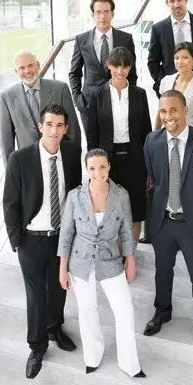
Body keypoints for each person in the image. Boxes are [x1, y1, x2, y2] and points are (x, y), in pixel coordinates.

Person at [3, 104, 82, 379]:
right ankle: (37, 347)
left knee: (59, 288)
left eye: (59, 125)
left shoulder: (72, 153)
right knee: (36, 295)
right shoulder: (20, 159)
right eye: (49, 124)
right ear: (40, 126)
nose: (54, 131)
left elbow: (74, 194)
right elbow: (10, 203)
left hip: (60, 237)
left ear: (66, 129)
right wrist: (17, 241)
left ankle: (54, 327)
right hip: (31, 239)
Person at [143, 90, 193, 348]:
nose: (168, 116)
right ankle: (162, 310)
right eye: (163, 111)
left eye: (174, 110)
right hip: (163, 221)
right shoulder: (152, 141)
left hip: (192, 223)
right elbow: (154, 180)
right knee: (162, 271)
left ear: (186, 111)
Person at [57, 148, 145, 378]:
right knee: (87, 310)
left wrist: (131, 260)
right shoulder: (75, 197)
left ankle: (129, 364)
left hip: (111, 259)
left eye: (102, 167)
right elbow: (66, 234)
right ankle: (92, 357)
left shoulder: (121, 195)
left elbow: (126, 231)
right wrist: (62, 268)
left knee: (124, 309)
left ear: (109, 167)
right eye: (92, 168)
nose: (98, 173)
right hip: (80, 261)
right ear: (87, 169)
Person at [86, 47, 152, 243]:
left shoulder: (140, 94)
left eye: (125, 67)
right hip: (107, 159)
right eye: (116, 66)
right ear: (109, 66)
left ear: (130, 68)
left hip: (135, 158)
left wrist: (149, 165)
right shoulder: (97, 95)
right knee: (109, 208)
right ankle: (113, 253)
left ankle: (130, 254)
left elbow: (146, 131)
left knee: (136, 208)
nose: (120, 71)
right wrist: (93, 166)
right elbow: (92, 133)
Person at [69, 0, 137, 134]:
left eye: (106, 12)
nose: (102, 16)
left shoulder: (125, 39)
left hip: (118, 101)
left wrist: (128, 97)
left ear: (113, 14)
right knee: (93, 143)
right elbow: (74, 73)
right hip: (89, 104)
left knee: (117, 139)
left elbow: (132, 71)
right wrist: (77, 99)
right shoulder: (81, 40)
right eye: (98, 12)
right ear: (92, 15)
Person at [0, 50, 81, 165]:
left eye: (30, 65)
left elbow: (73, 130)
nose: (27, 71)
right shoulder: (7, 97)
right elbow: (6, 140)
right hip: (28, 162)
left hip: (59, 158)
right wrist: (10, 170)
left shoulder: (60, 89)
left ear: (37, 65)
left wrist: (74, 163)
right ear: (16, 71)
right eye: (22, 68)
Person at [155, 42, 193, 135]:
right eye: (177, 58)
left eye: (185, 57)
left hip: (190, 135)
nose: (180, 62)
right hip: (167, 133)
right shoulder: (166, 81)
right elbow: (160, 111)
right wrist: (155, 135)